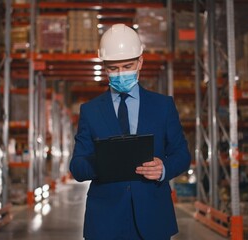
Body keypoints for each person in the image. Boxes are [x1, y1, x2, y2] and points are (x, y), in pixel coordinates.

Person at [69, 23, 192, 240]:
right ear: (104, 66)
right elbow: (77, 167)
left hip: (152, 217)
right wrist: (103, 162)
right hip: (105, 220)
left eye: (127, 66)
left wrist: (164, 168)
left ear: (140, 62)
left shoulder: (163, 106)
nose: (120, 74)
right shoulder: (90, 111)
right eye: (113, 69)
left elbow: (182, 155)